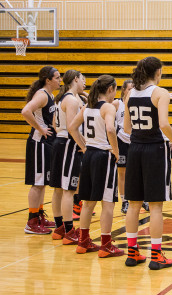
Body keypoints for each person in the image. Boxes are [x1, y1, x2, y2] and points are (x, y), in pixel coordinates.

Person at [123, 56, 172, 270]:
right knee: (155, 206)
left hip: (135, 148)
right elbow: (164, 123)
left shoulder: (130, 93)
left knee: (134, 204)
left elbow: (127, 128)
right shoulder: (160, 93)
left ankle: (132, 253)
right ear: (157, 72)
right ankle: (156, 255)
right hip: (155, 149)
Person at [69, 74, 124, 258]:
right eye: (115, 90)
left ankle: (83, 241)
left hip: (90, 155)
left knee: (88, 202)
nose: (115, 94)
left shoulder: (87, 107)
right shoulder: (107, 107)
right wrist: (116, 151)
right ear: (110, 89)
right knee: (108, 202)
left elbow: (72, 127)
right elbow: (110, 129)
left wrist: (84, 146)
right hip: (103, 155)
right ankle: (106, 245)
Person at [21, 66, 60, 234]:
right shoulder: (42, 95)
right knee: (37, 183)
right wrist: (41, 129)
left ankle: (39, 216)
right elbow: (25, 111)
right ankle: (31, 221)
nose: (60, 80)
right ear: (48, 80)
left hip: (47, 144)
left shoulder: (50, 95)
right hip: (38, 143)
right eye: (57, 78)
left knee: (43, 182)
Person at [49, 70, 86, 244]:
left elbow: (56, 125)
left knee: (58, 189)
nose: (84, 82)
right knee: (68, 190)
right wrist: (83, 146)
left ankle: (60, 227)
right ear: (76, 79)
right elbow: (73, 128)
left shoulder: (61, 98)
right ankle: (69, 230)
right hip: (68, 144)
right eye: (82, 79)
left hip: (59, 142)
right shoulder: (71, 100)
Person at [113, 79, 134, 214]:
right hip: (121, 140)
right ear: (124, 90)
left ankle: (141, 199)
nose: (132, 91)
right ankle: (124, 201)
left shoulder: (136, 102)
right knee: (122, 172)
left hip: (135, 141)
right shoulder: (117, 103)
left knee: (137, 172)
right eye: (129, 88)